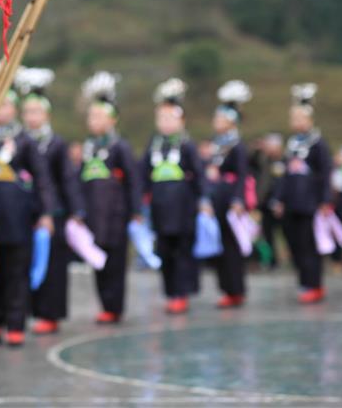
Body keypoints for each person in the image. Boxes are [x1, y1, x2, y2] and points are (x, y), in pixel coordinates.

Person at [0, 90, 55, 346]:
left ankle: (15, 325)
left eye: (5, 105)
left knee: (16, 274)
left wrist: (46, 213)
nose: (0, 110)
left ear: (14, 109)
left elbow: (42, 179)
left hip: (19, 220)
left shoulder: (24, 140)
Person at [16, 67, 86, 335]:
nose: (31, 117)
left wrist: (76, 210)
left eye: (36, 112)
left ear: (46, 114)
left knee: (54, 265)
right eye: (27, 112)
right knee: (27, 263)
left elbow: (68, 179)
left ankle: (51, 314)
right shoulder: (18, 142)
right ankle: (28, 312)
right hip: (27, 211)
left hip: (53, 212)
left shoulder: (56, 143)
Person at [79, 71, 141, 323]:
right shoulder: (89, 147)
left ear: (112, 119)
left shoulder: (120, 147)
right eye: (91, 116)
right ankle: (104, 304)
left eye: (98, 116)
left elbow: (133, 180)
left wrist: (135, 211)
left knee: (115, 262)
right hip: (94, 215)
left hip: (115, 215)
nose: (93, 121)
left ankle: (115, 306)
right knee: (97, 260)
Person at [142, 78, 204, 315]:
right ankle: (170, 292)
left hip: (183, 210)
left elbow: (199, 175)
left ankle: (182, 292)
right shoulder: (154, 144)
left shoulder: (187, 145)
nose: (165, 123)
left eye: (170, 118)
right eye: (161, 118)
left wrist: (203, 201)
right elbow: (143, 173)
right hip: (160, 209)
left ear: (181, 120)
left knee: (182, 252)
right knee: (165, 252)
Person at [272, 83, 333, 304]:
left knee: (309, 246)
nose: (296, 122)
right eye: (293, 118)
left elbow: (326, 173)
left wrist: (325, 200)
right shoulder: (292, 144)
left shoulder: (318, 144)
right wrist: (278, 199)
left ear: (310, 120)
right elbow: (284, 175)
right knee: (295, 245)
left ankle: (314, 284)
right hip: (292, 203)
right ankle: (303, 282)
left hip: (310, 203)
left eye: (300, 118)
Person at [205, 80, 252, 309]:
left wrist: (238, 199)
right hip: (217, 201)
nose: (216, 122)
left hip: (231, 202)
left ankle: (236, 289)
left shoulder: (237, 146)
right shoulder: (217, 145)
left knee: (232, 247)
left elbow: (242, 175)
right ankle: (226, 288)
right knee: (220, 246)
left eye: (220, 119)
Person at [250, 133, 285, 269]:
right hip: (265, 202)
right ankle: (272, 261)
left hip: (282, 203)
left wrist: (279, 200)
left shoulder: (284, 160)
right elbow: (251, 163)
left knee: (287, 232)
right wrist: (257, 150)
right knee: (267, 233)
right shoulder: (264, 160)